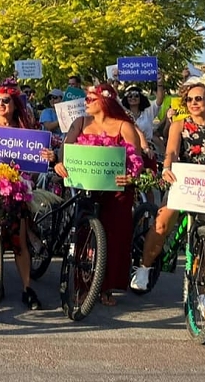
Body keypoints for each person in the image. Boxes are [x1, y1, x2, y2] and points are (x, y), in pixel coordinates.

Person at [131, 76, 205, 291]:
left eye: (198, 98)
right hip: (185, 181)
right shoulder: (179, 125)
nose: (193, 103)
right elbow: (172, 152)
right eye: (189, 99)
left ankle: (204, 282)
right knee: (162, 223)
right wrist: (167, 168)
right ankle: (144, 268)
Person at [52, 84, 142, 306]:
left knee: (115, 234)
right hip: (86, 185)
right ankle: (83, 284)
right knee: (82, 232)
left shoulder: (124, 126)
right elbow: (67, 148)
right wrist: (60, 164)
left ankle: (107, 285)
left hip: (116, 188)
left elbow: (136, 160)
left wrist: (131, 176)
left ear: (105, 101)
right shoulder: (81, 122)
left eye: (90, 99)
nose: (86, 103)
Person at [0, 83, 43, 310]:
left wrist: (49, 155)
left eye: (6, 101)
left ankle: (27, 288)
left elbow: (43, 151)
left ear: (15, 105)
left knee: (20, 242)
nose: (1, 104)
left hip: (16, 189)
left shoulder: (25, 130)